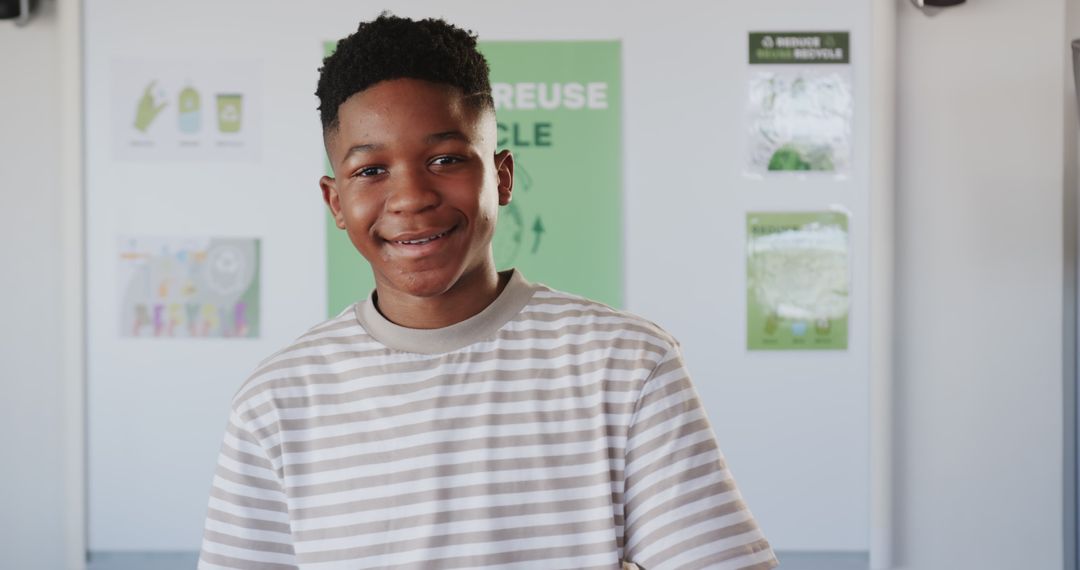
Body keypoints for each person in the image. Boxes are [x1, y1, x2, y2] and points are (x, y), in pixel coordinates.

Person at [198, 14, 778, 570]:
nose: (411, 197)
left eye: (446, 159)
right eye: (371, 171)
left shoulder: (624, 365)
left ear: (500, 176)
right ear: (335, 203)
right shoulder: (276, 401)